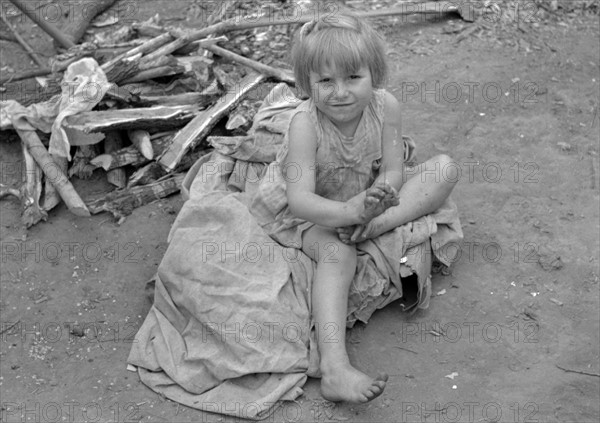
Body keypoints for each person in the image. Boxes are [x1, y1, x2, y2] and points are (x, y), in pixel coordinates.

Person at [252, 8, 459, 403]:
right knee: (338, 254)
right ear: (306, 83)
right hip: (311, 212)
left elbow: (394, 172)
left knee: (445, 169)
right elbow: (300, 200)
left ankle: (376, 228)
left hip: (363, 199)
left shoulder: (386, 107)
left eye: (353, 77)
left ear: (375, 75)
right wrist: (349, 213)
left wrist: (377, 202)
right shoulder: (305, 125)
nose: (340, 92)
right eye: (325, 81)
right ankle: (334, 366)